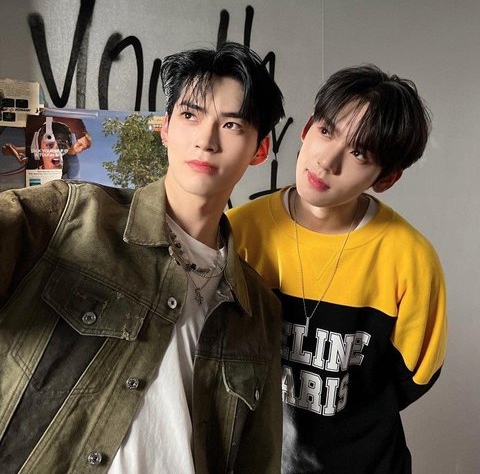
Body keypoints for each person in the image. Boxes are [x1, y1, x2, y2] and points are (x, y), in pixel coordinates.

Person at [0, 42, 285, 473]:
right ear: (166, 128)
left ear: (259, 150)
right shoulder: (68, 217)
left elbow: (257, 459)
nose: (206, 140)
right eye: (190, 115)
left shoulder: (258, 309)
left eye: (231, 125)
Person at [228, 65, 447, 474]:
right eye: (327, 131)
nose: (327, 161)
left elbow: (415, 377)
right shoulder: (239, 232)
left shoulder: (410, 258)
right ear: (306, 129)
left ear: (386, 178)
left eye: (359, 153)